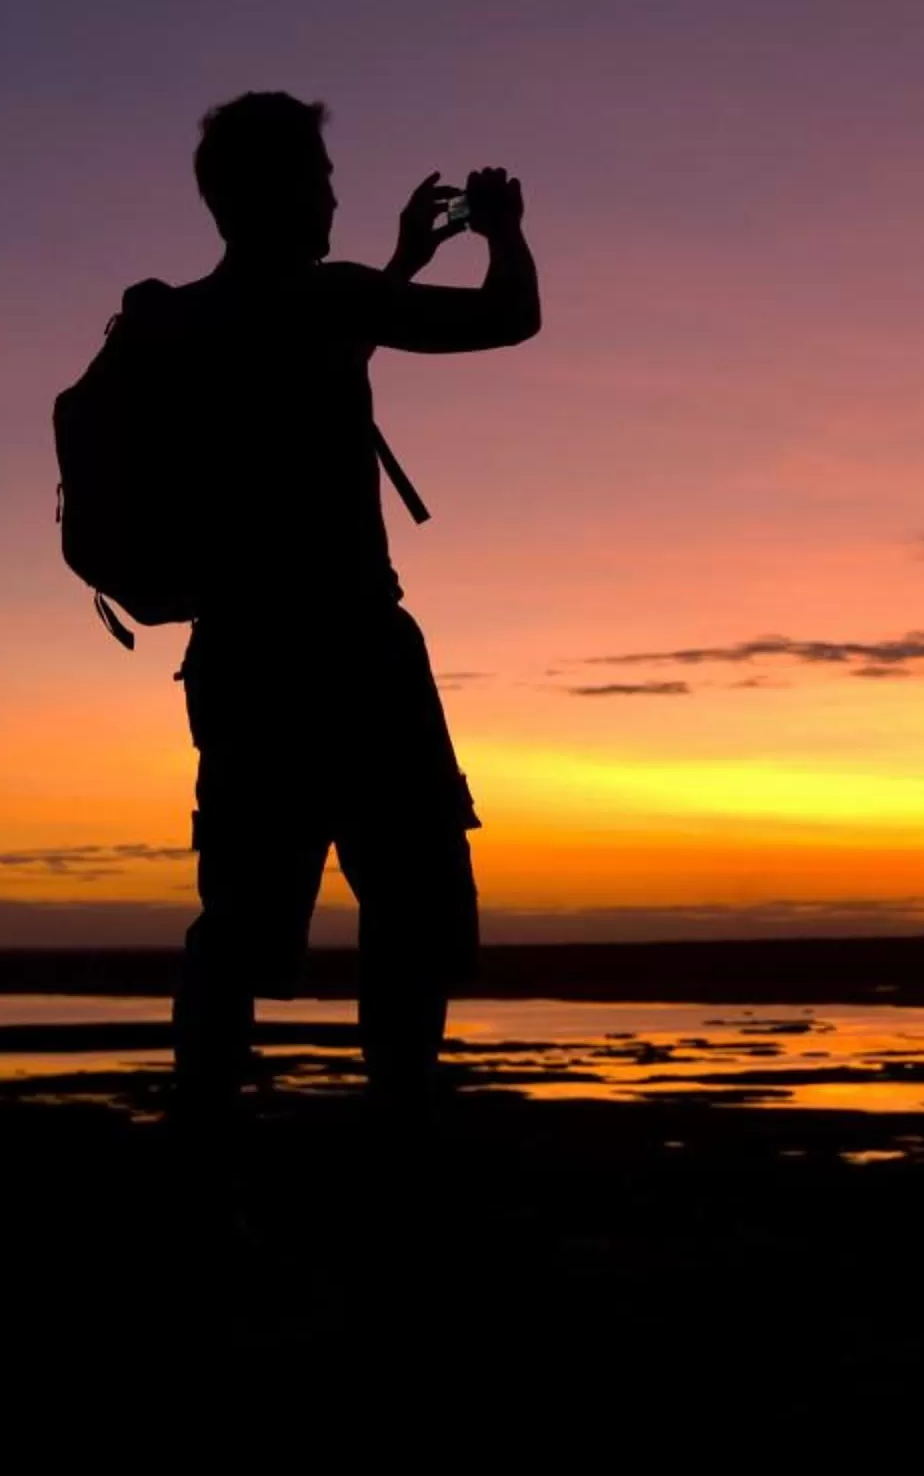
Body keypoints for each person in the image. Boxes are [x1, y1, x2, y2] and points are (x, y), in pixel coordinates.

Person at [163, 90, 540, 1115]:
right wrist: (501, 232)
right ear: (281, 191)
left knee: (237, 928)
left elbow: (305, 363)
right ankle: (401, 1133)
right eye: (321, 178)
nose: (334, 193)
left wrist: (400, 264)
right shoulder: (329, 301)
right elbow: (512, 317)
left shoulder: (187, 321)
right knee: (413, 913)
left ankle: (199, 1146)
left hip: (239, 660)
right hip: (355, 655)